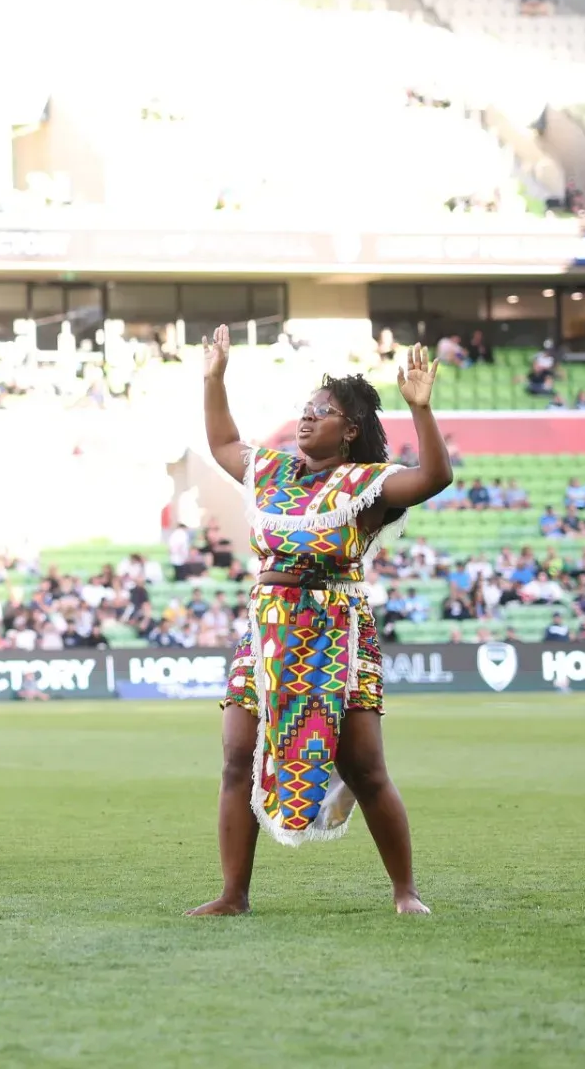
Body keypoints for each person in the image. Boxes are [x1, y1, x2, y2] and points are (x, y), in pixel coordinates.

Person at [191, 325, 447, 918]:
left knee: (364, 765)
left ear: (350, 430)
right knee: (235, 755)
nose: (307, 420)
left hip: (337, 629)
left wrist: (421, 411)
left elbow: (434, 479)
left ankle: (405, 892)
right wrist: (213, 379)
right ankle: (233, 894)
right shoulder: (273, 470)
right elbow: (224, 440)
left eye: (323, 413)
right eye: (305, 411)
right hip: (267, 627)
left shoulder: (367, 484)